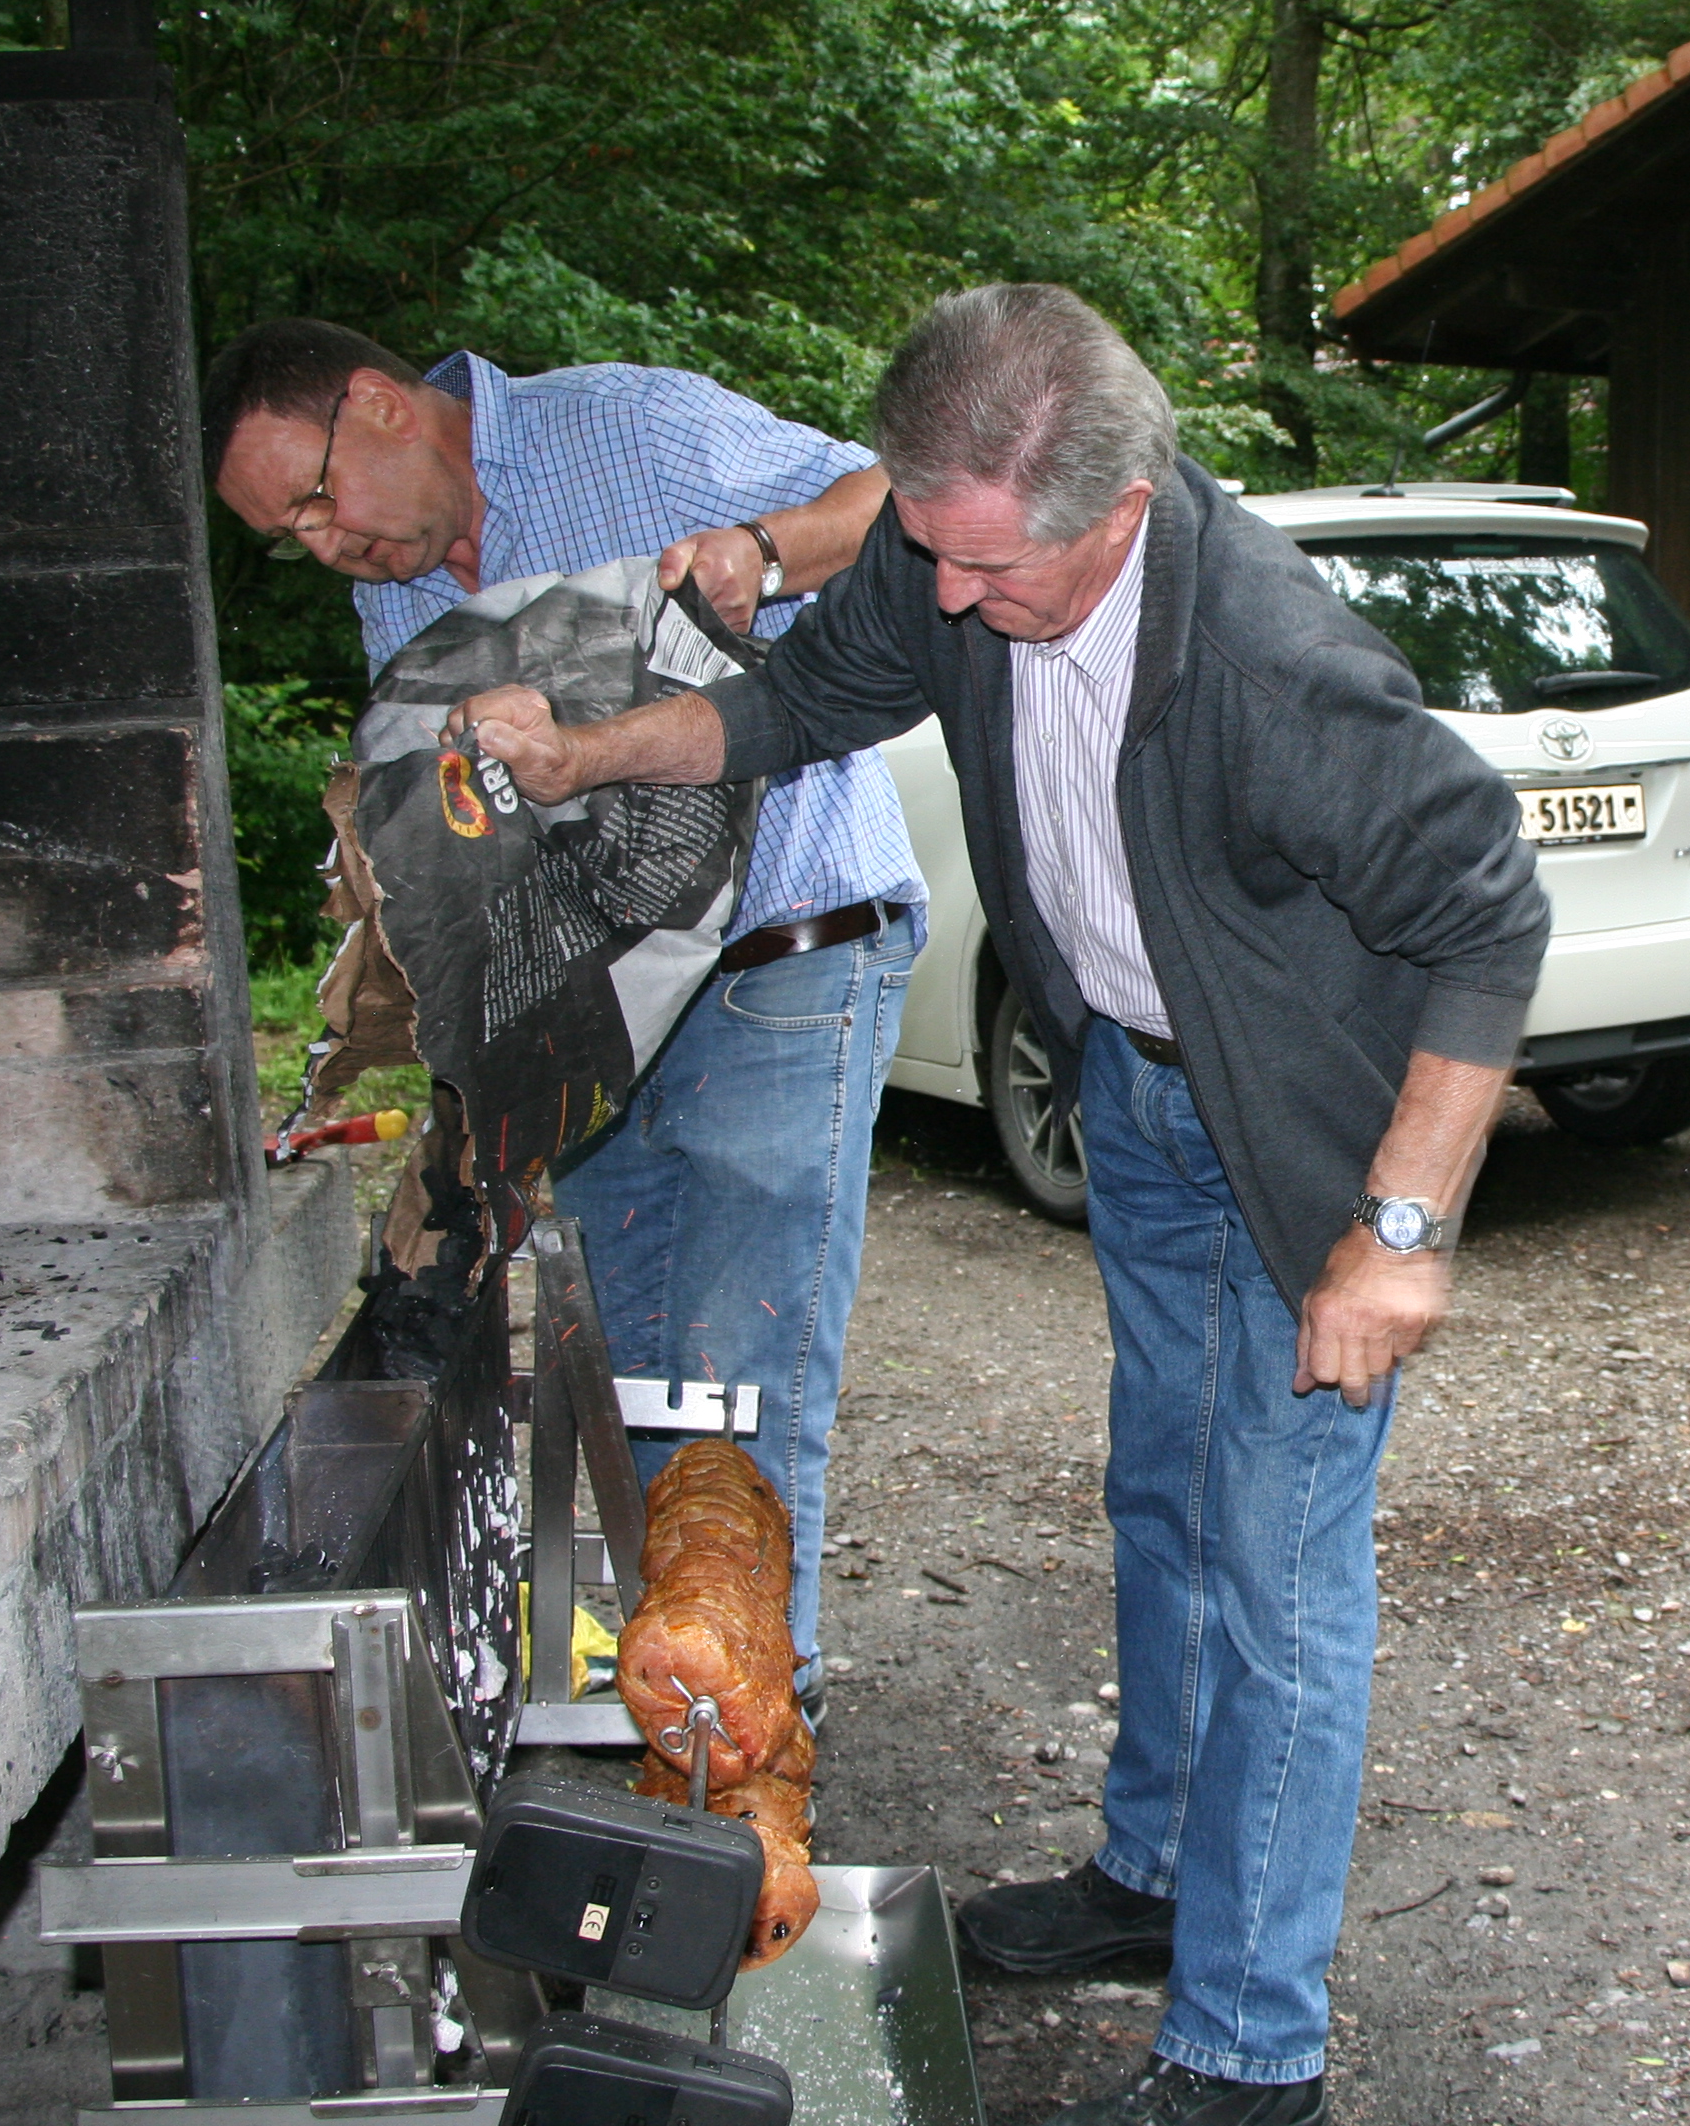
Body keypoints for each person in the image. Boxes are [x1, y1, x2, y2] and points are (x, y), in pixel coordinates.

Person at [451, 284, 1551, 2126]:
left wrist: (1404, 1235)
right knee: (1158, 1491)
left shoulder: (1277, 667)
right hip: (1128, 1084)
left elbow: (1489, 920)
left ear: (1114, 511)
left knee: (1278, 1577)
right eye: (931, 554)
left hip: (1302, 1149)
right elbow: (795, 704)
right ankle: (1150, 1878)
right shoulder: (946, 546)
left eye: (988, 574)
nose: (947, 603)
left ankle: (1250, 2049)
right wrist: (584, 752)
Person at [202, 319, 921, 1703]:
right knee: (638, 1376)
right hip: (592, 1018)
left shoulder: (626, 427)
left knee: (744, 1381)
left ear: (379, 408)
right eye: (285, 535)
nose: (321, 545)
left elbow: (899, 496)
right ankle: (687, 1704)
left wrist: (760, 556)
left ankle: (759, 1749)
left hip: (786, 946)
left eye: (312, 498)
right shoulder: (397, 597)